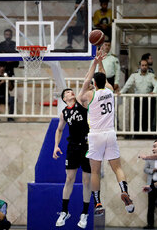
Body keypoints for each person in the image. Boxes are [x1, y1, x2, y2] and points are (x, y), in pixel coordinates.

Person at [78, 49, 134, 216]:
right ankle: (125, 191)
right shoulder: (109, 90)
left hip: (95, 135)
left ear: (94, 83)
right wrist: (101, 63)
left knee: (95, 171)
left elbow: (84, 84)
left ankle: (98, 203)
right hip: (110, 133)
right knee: (117, 168)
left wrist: (94, 63)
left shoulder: (89, 95)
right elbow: (103, 76)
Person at [53, 88, 91, 229]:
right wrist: (56, 146)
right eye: (68, 92)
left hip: (87, 146)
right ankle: (64, 211)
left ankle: (85, 213)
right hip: (72, 147)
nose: (71, 92)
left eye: (72, 91)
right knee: (69, 179)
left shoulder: (81, 103)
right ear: (64, 98)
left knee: (86, 181)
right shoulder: (64, 113)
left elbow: (86, 85)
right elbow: (59, 129)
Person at [119, 59, 156, 132]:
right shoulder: (134, 75)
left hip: (148, 99)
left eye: (145, 65)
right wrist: (121, 92)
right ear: (139, 66)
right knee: (138, 116)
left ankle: (148, 133)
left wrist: (154, 92)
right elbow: (127, 85)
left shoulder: (151, 75)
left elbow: (156, 86)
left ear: (147, 66)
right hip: (138, 99)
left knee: (149, 116)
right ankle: (137, 133)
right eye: (142, 65)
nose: (144, 67)